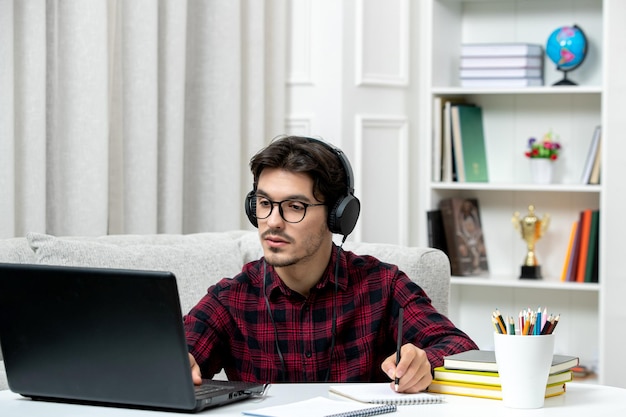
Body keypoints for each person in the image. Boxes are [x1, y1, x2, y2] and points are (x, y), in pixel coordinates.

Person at [184, 135, 478, 393]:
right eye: (264, 204)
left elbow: (461, 349)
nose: (272, 222)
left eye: (294, 207)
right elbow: (179, 356)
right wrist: (175, 364)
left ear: (338, 216)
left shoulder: (383, 285)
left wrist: (426, 363)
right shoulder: (230, 299)